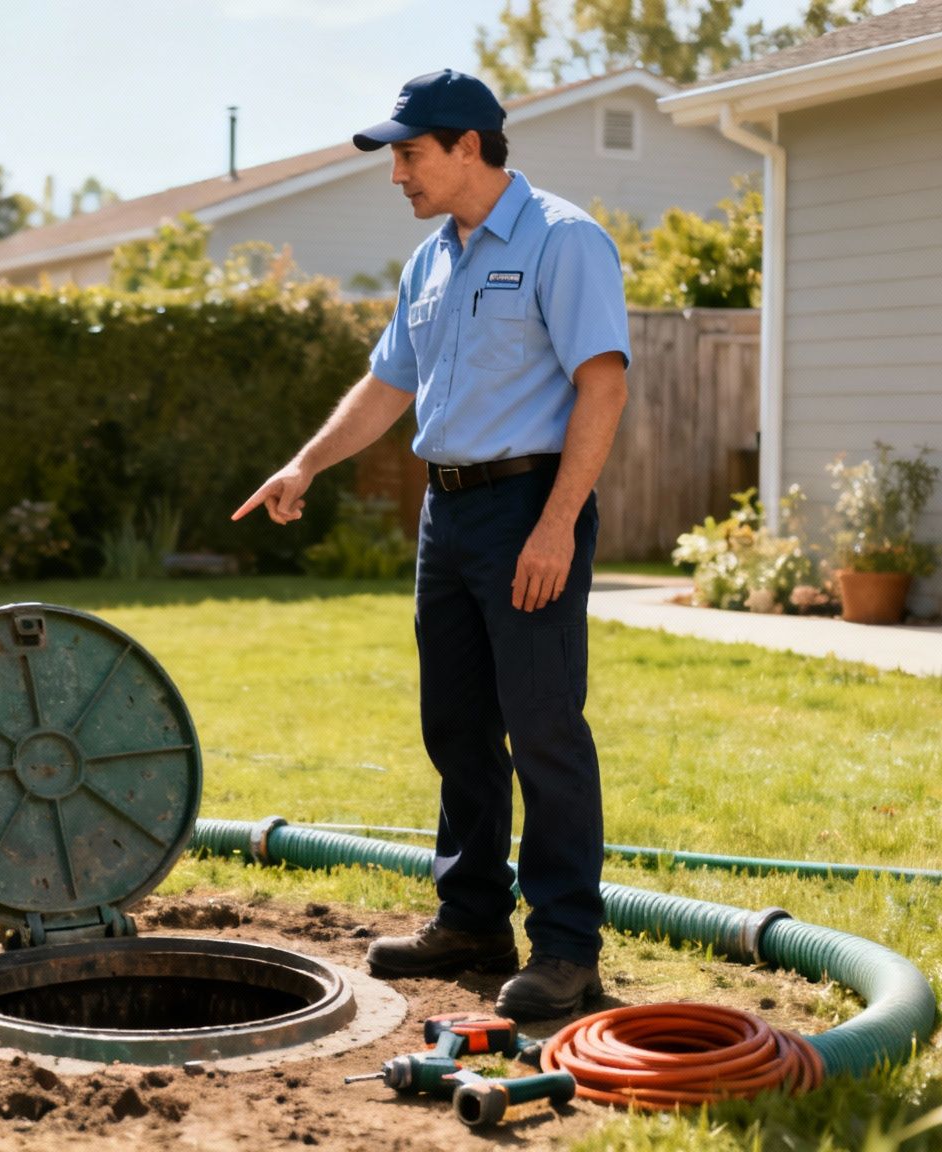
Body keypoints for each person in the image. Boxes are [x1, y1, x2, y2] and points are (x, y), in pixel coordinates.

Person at [234, 69, 630, 1022]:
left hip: (529, 505)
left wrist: (556, 525)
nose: (398, 174)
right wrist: (305, 464)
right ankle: (472, 919)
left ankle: (567, 948)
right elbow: (388, 385)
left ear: (467, 147)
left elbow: (603, 385)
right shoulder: (433, 260)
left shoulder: (564, 240)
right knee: (454, 725)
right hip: (445, 514)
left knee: (543, 728)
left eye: (410, 154)